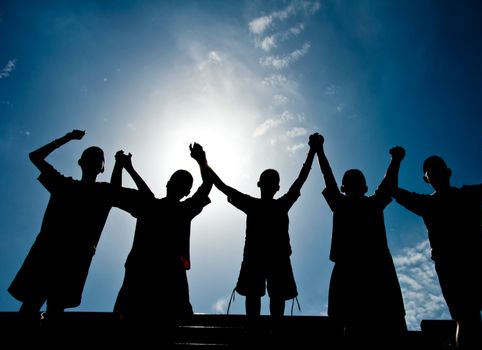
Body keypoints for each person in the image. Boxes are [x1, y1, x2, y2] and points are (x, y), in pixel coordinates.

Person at [393, 142, 482, 349]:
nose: (436, 172)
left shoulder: (467, 194)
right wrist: (396, 161)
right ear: (426, 179)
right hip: (453, 266)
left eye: (439, 168)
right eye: (431, 170)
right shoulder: (427, 203)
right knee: (467, 319)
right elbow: (390, 190)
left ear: (447, 172)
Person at [8, 129, 116, 324]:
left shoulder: (101, 193)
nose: (94, 159)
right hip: (47, 254)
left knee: (55, 309)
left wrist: (120, 165)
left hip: (73, 259)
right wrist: (66, 138)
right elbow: (35, 157)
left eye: (99, 158)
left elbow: (115, 191)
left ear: (102, 168)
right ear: (81, 162)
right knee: (32, 304)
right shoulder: (64, 185)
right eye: (90, 156)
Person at [206, 135, 317, 319]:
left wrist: (312, 152)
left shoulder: (264, 204)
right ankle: (260, 329)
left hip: (267, 256)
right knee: (260, 294)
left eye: (271, 182)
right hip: (263, 256)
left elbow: (301, 179)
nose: (269, 185)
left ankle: (263, 329)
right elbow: (223, 186)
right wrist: (203, 162)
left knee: (269, 295)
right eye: (268, 181)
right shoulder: (274, 204)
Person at [312, 133, 407, 345]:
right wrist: (395, 161)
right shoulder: (347, 204)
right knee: (343, 319)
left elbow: (387, 184)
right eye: (351, 182)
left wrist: (396, 161)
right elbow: (329, 177)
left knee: (390, 319)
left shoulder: (366, 203)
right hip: (355, 267)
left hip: (375, 268)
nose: (353, 186)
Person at [112, 143, 212, 326]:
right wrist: (201, 160)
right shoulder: (164, 207)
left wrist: (123, 166)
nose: (176, 184)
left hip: (158, 276)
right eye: (178, 181)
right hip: (147, 275)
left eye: (181, 183)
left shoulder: (154, 205)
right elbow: (115, 193)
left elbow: (115, 193)